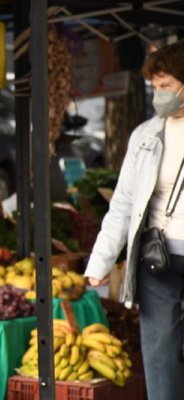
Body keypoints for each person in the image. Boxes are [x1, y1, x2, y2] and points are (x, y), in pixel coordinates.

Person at [85, 41, 184, 400]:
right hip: (157, 256)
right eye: (154, 88)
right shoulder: (144, 136)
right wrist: (100, 261)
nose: (159, 96)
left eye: (167, 86)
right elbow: (124, 204)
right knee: (159, 352)